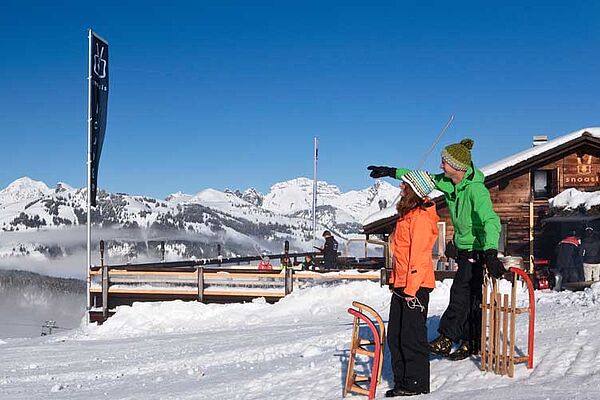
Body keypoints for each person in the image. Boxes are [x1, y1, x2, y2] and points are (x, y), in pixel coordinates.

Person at [368, 138, 504, 361]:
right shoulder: (450, 183)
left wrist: (490, 252)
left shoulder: (476, 191)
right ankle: (470, 342)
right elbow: (421, 179)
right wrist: (391, 171)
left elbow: (491, 221)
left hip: (479, 251)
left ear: (457, 167)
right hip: (464, 250)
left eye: (444, 162)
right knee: (470, 298)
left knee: (461, 294)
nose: (440, 166)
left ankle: (447, 338)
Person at [385, 170, 438, 397]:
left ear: (414, 191)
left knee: (411, 335)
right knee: (395, 335)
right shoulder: (407, 216)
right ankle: (402, 380)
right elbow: (400, 252)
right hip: (402, 283)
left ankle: (415, 382)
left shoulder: (421, 218)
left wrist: (411, 288)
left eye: (404, 185)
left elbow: (419, 255)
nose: (401, 188)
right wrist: (395, 280)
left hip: (415, 286)